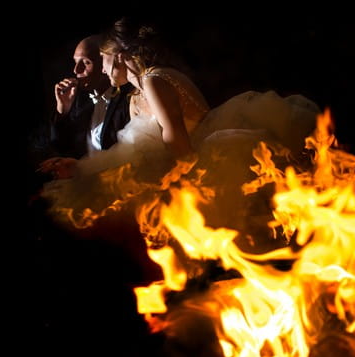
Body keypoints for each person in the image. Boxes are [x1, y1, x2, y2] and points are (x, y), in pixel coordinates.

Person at [42, 17, 321, 245]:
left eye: (102, 59)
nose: (103, 70)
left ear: (120, 57)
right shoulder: (138, 90)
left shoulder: (154, 80)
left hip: (193, 166)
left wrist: (178, 193)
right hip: (166, 169)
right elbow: (134, 152)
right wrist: (82, 168)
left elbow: (178, 147)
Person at [39, 34, 133, 179]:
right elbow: (61, 147)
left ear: (105, 63)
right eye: (76, 62)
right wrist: (62, 110)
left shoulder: (127, 99)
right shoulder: (79, 99)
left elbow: (131, 155)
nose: (76, 70)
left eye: (86, 62)